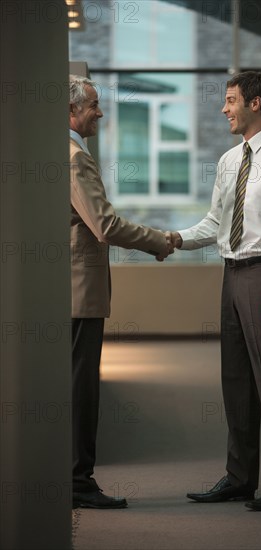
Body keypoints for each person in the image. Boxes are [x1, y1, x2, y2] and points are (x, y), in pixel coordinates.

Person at [168, 71, 261, 511]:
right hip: (231, 273)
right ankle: (239, 477)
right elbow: (215, 222)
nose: (224, 109)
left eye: (230, 101)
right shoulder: (230, 160)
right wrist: (172, 239)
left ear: (255, 103)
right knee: (235, 380)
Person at [69, 75, 171, 509]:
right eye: (94, 104)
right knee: (80, 388)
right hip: (77, 293)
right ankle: (77, 483)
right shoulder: (74, 157)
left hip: (67, 292)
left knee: (73, 386)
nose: (100, 112)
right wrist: (158, 240)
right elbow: (105, 226)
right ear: (71, 110)